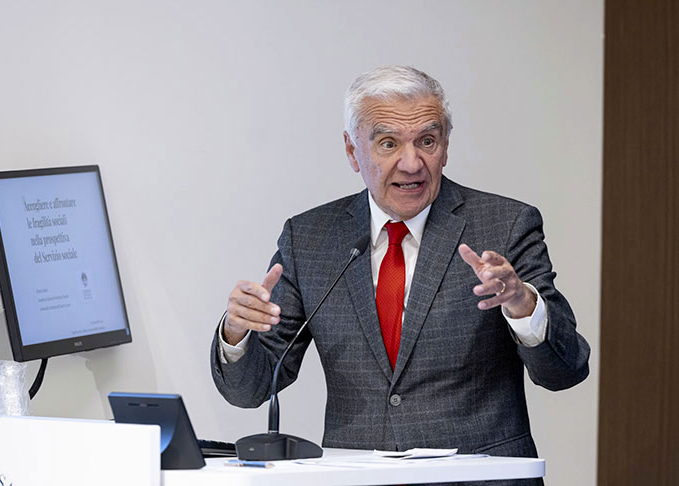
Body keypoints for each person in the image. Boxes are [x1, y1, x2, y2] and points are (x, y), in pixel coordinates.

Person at [210, 66, 590, 486]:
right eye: (388, 143)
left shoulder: (505, 225)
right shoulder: (311, 239)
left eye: (427, 141)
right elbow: (251, 389)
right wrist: (236, 333)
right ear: (352, 151)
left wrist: (523, 305)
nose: (412, 164)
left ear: (445, 146)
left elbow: (565, 371)